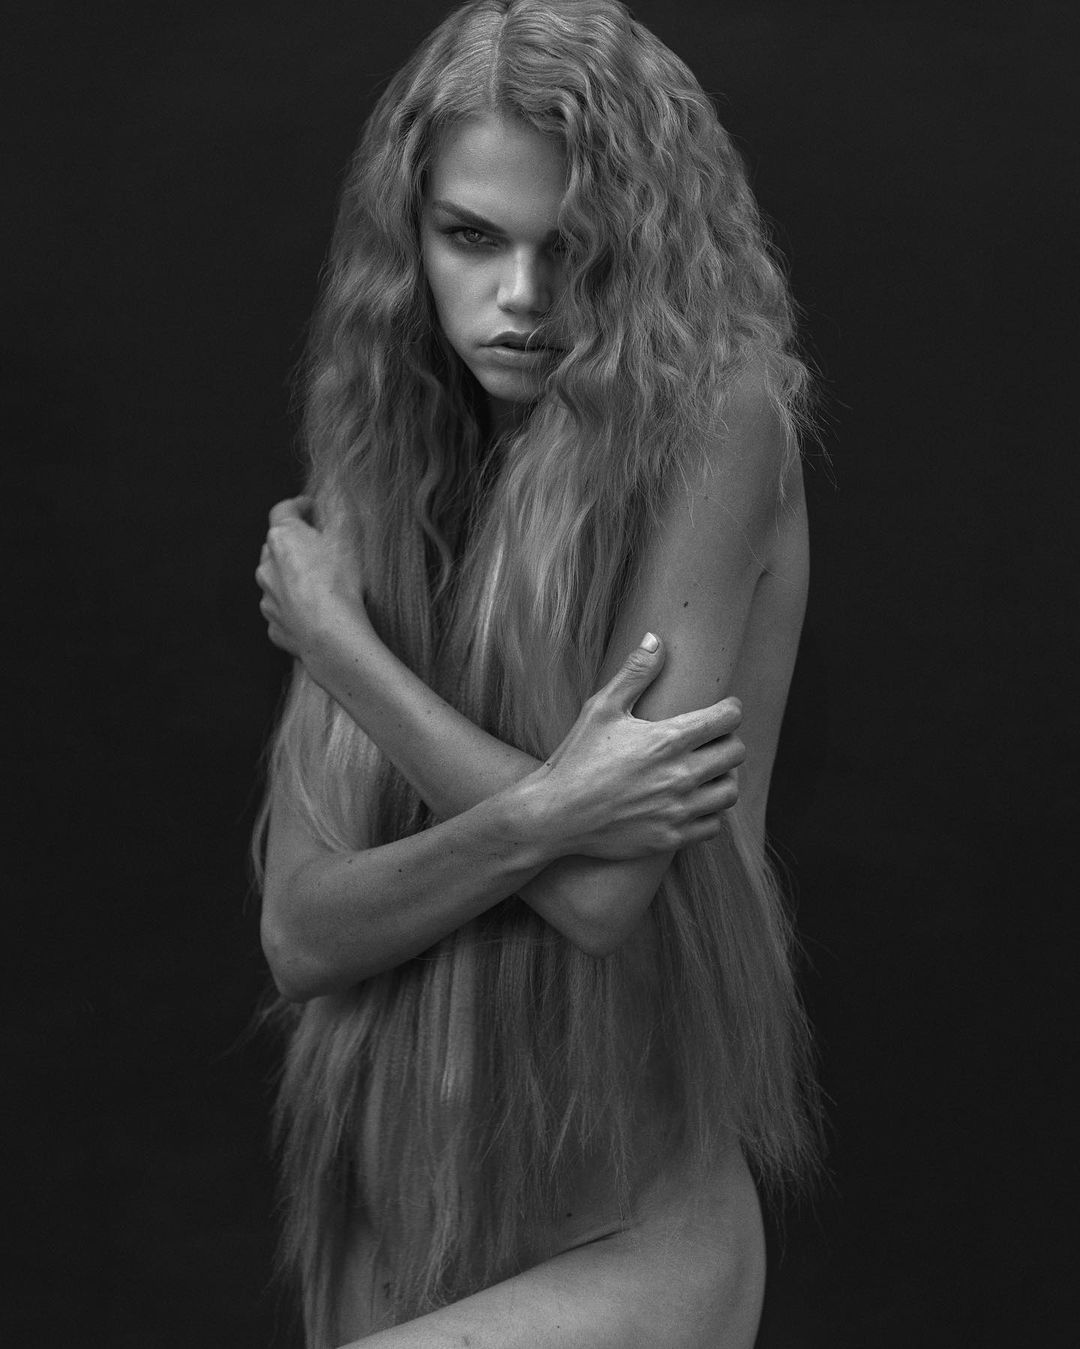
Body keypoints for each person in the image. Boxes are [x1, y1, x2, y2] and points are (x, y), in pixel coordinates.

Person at [253, 1, 820, 1344]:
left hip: (625, 1230)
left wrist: (343, 650)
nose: (519, 296)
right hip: (397, 1233)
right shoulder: (384, 467)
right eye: (471, 237)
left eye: (570, 246)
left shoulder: (722, 420)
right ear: (410, 236)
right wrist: (550, 807)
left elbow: (602, 891)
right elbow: (302, 936)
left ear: (642, 242)